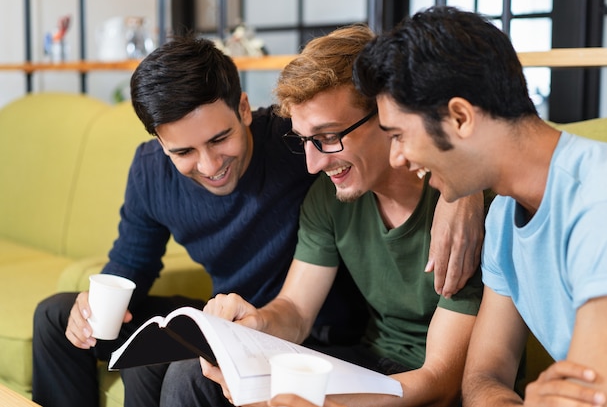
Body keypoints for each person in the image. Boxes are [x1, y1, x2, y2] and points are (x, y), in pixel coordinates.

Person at [32, 35, 482, 407]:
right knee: (57, 315)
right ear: (160, 144)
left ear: (244, 110)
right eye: (183, 152)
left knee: (180, 375)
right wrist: (95, 305)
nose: (208, 165)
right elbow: (132, 262)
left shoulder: (301, 143)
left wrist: (464, 184)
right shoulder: (320, 174)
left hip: (322, 335)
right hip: (244, 318)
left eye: (220, 139)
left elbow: (422, 85)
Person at [353, 5, 607, 406]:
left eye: (399, 135)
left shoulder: (605, 200)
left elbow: (596, 397)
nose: (397, 158)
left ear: (460, 117)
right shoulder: (502, 217)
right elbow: (483, 375)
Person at [200, 24, 485, 407]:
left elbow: (442, 382)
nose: (314, 164)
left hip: (432, 386)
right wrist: (254, 326)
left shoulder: (467, 210)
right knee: (196, 377)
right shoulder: (327, 199)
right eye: (303, 140)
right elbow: (297, 313)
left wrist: (325, 404)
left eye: (329, 136)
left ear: (387, 113)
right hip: (372, 365)